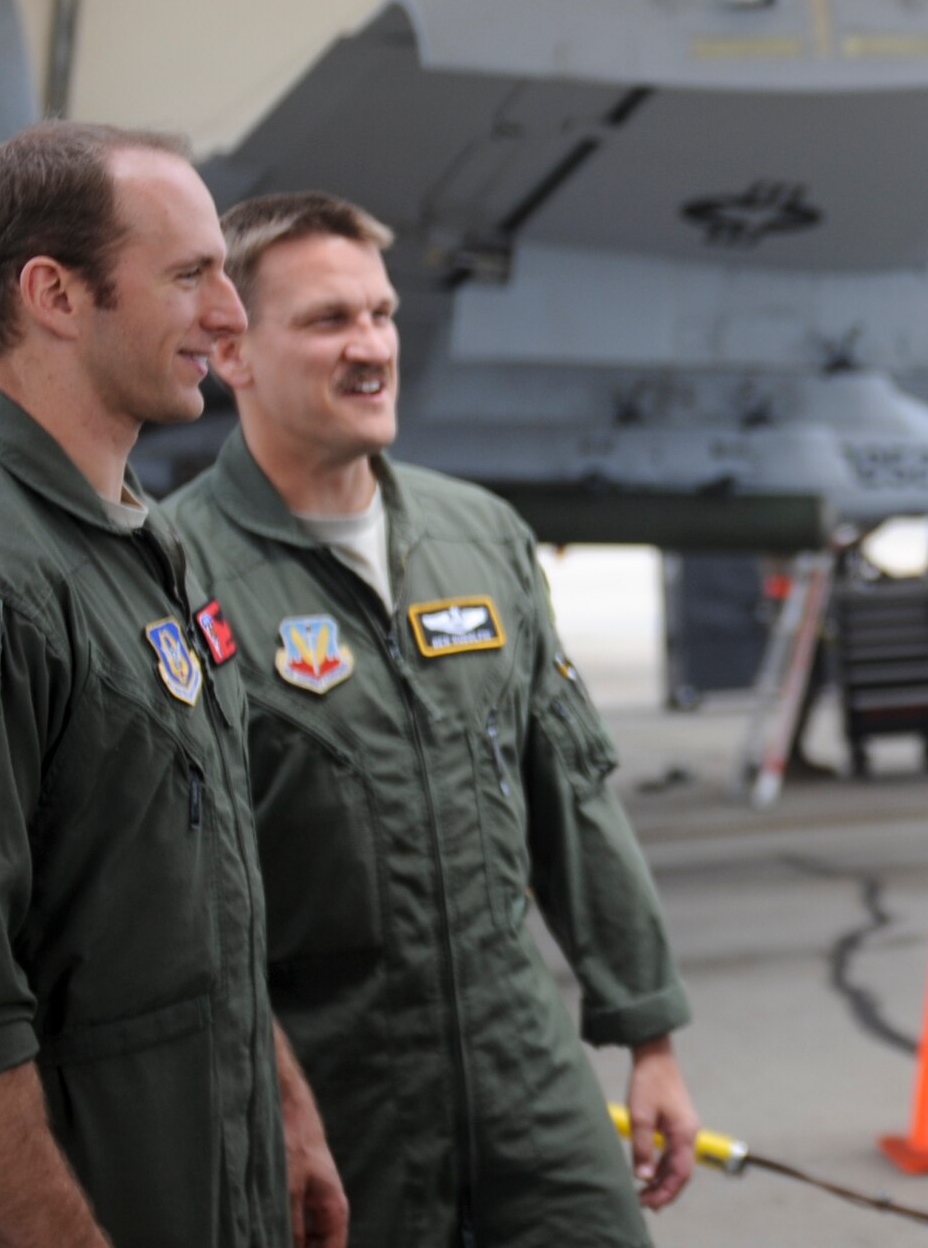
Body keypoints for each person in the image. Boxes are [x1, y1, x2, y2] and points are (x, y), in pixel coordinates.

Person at [164, 191, 698, 1247]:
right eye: (328, 321)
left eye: (381, 314)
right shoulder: (174, 576)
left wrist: (648, 1036)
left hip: (527, 1086)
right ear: (234, 350)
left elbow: (571, 799)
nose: (370, 347)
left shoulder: (479, 536)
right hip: (331, 1102)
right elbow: (174, 905)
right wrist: (257, 1105)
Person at [0, 124, 345, 1247]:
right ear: (53, 292)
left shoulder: (144, 542)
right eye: (190, 275)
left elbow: (198, 885)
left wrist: (285, 1117)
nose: (230, 316)